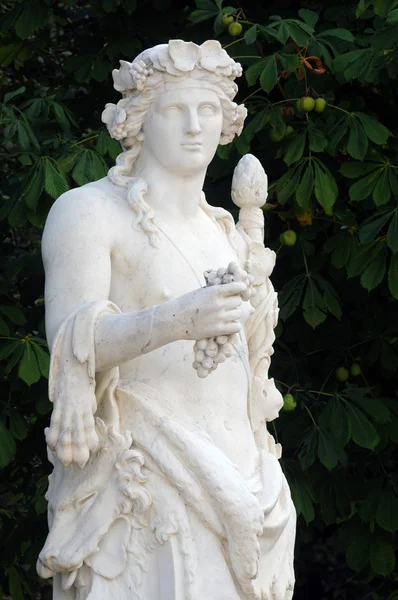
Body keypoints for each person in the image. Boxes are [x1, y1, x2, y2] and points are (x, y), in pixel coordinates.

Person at [38, 40, 296, 600]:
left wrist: (256, 306)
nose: (194, 126)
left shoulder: (226, 230)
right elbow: (68, 339)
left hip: (243, 473)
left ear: (226, 120)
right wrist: (179, 318)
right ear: (138, 120)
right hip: (147, 477)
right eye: (175, 110)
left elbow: (247, 365)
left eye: (207, 110)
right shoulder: (89, 211)